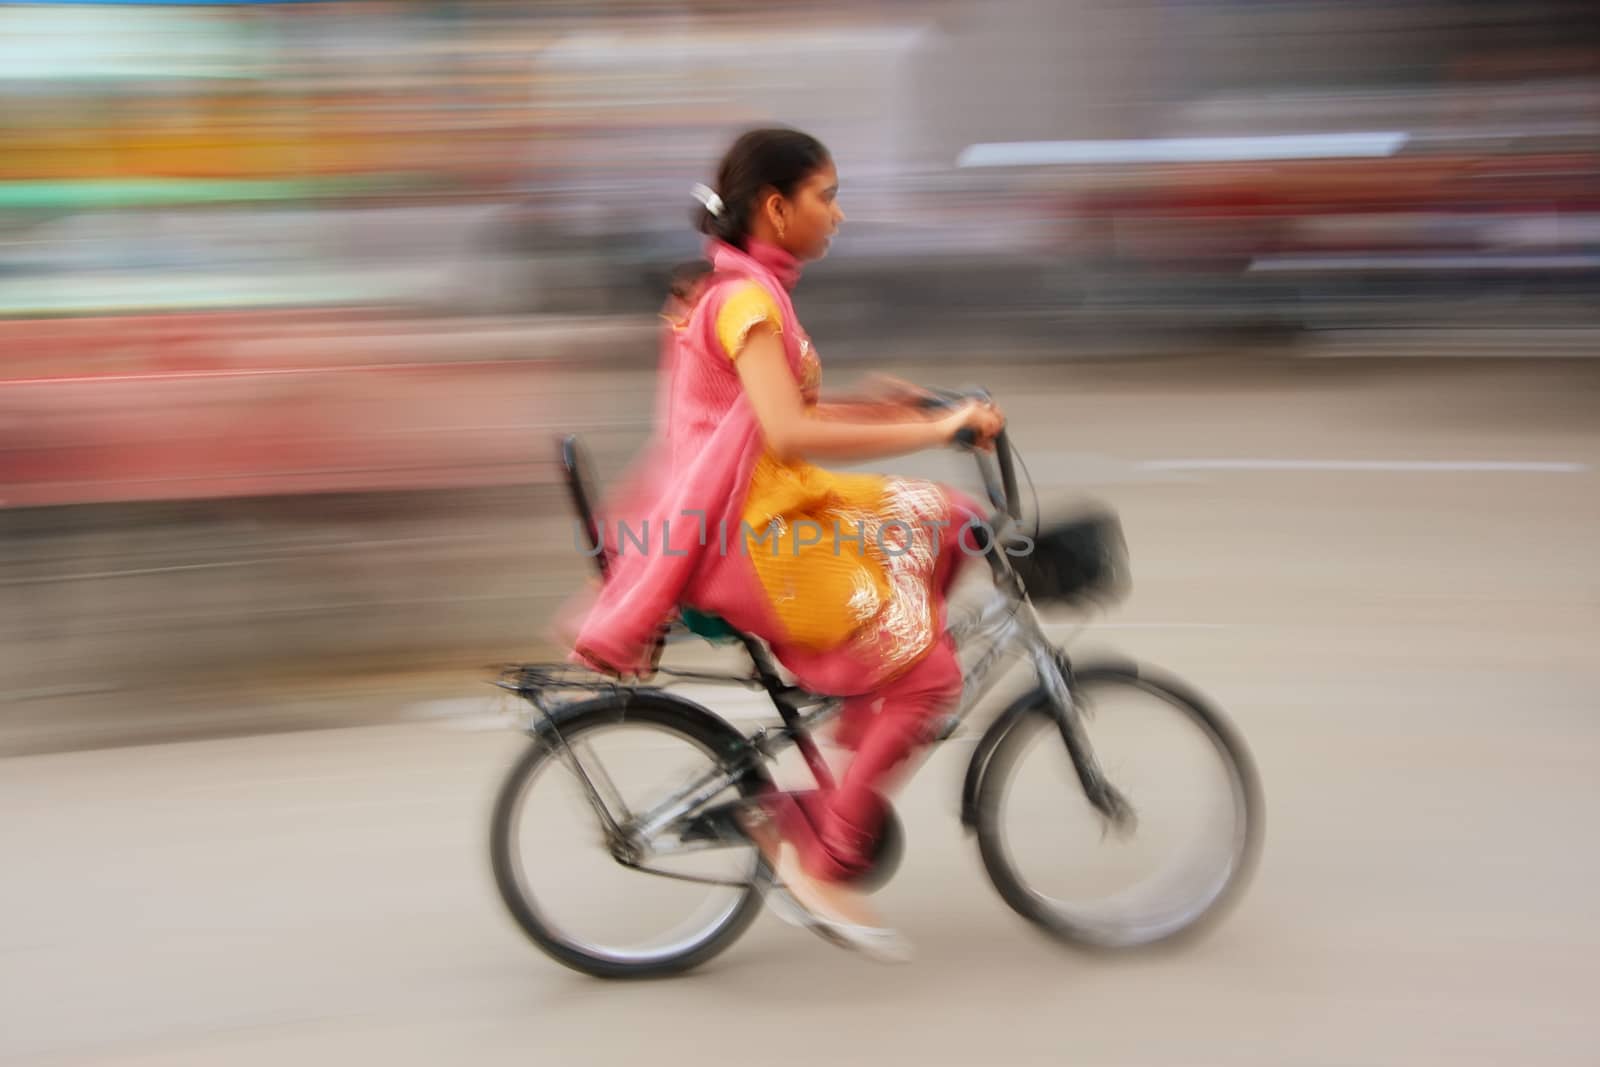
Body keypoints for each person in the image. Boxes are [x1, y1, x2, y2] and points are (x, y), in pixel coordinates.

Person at [565, 127, 1004, 962]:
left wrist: (893, 412)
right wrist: (940, 425)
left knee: (948, 518)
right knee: (933, 670)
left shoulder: (745, 288)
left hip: (767, 512)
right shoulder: (748, 301)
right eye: (827, 195)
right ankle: (827, 855)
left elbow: (770, 420)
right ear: (777, 206)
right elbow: (789, 429)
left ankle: (863, 709)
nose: (838, 213)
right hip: (754, 539)